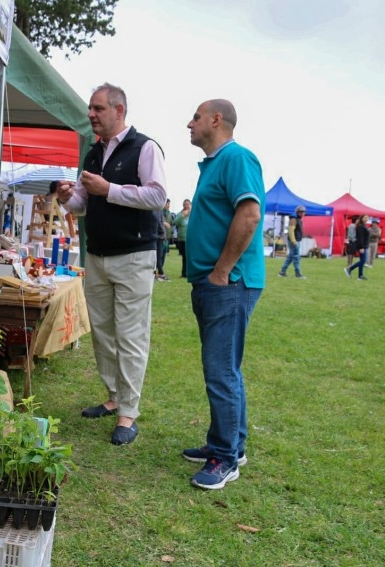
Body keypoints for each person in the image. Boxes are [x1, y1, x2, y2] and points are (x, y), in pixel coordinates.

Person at [54, 82, 167, 446]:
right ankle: (114, 396)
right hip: (97, 256)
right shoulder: (93, 152)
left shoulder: (145, 147)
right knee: (102, 332)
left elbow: (157, 196)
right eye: (90, 108)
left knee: (131, 335)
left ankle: (128, 413)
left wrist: (109, 190)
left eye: (98, 109)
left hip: (134, 257)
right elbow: (84, 204)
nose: (91, 115)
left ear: (119, 111)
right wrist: (68, 197)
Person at [181, 99, 265, 490]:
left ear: (216, 120)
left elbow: (249, 215)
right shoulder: (216, 163)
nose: (190, 123)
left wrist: (222, 270)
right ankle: (230, 443)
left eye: (196, 117)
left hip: (229, 283)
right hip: (217, 282)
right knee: (225, 367)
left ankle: (225, 458)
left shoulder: (237, 158)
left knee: (220, 370)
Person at [278, 205, 307, 278]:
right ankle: (298, 274)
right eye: (301, 212)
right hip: (294, 241)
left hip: (295, 240)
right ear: (297, 212)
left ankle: (282, 272)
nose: (302, 213)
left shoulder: (298, 219)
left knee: (290, 257)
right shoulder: (294, 219)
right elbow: (291, 231)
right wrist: (294, 242)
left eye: (303, 212)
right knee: (296, 258)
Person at [345, 215, 370, 280]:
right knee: (363, 261)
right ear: (361, 218)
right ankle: (349, 269)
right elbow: (360, 238)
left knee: (362, 260)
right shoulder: (361, 226)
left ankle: (360, 275)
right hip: (362, 246)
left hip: (364, 245)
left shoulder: (363, 226)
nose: (366, 219)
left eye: (367, 218)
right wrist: (361, 247)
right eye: (365, 218)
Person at [173, 198, 191, 277]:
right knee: (184, 257)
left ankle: (190, 273)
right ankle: (184, 273)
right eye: (185, 204)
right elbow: (175, 222)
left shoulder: (194, 213)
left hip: (191, 239)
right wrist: (183, 215)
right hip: (182, 239)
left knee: (190, 257)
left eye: (188, 204)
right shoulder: (180, 214)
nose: (186, 206)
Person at [154, 208, 169, 281]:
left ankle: (157, 273)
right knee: (158, 256)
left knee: (158, 256)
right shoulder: (157, 209)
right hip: (158, 237)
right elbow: (159, 222)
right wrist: (162, 233)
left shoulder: (158, 209)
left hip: (157, 236)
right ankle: (160, 273)